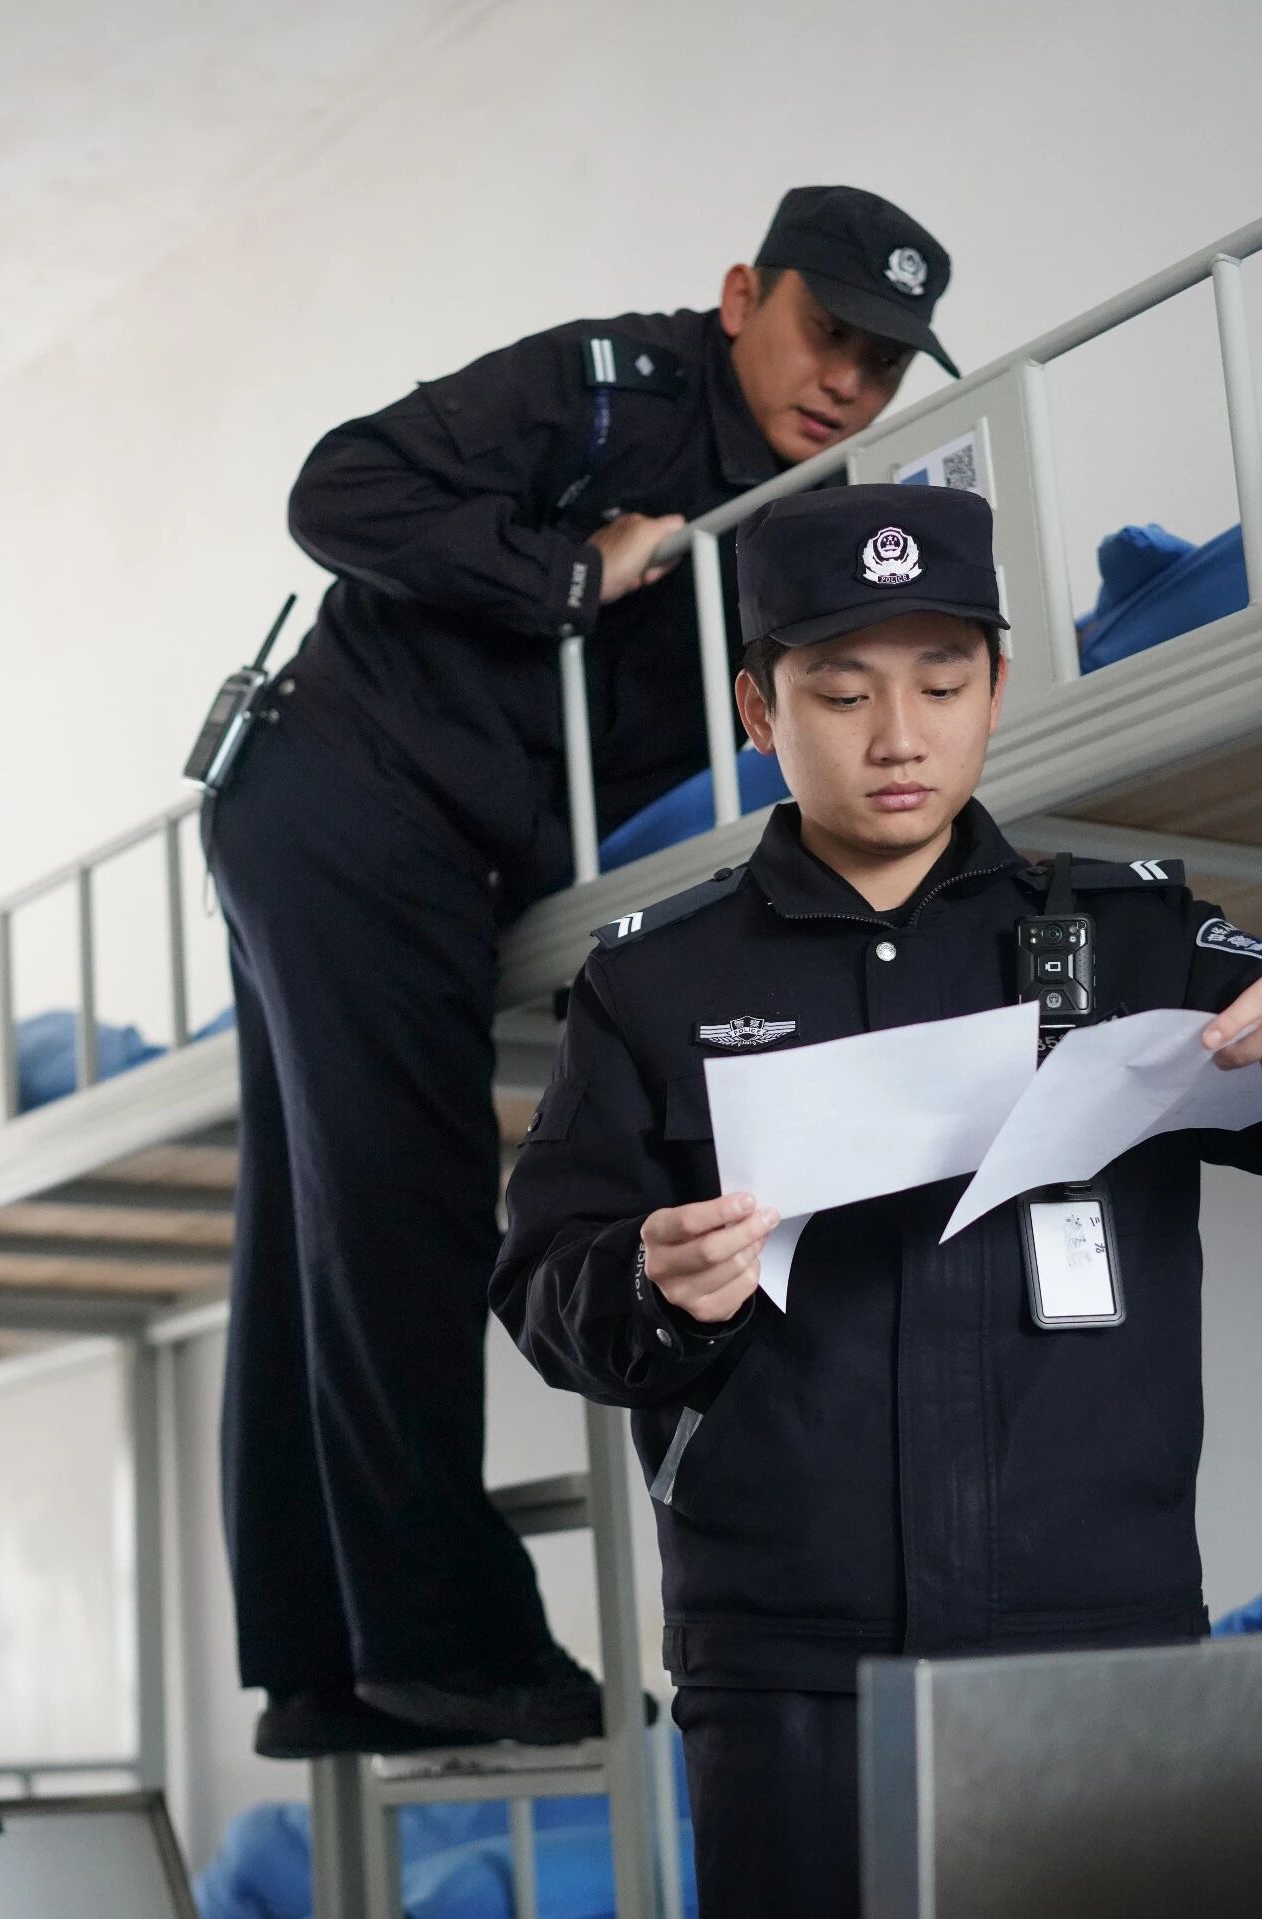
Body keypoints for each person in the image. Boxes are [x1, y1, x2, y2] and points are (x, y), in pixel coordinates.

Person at [206, 185, 959, 1762]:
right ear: (744, 295)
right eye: (828, 333)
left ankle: (315, 1668)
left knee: (311, 1237)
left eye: (886, 363)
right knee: (405, 1214)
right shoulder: (609, 386)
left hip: (383, 833)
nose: (849, 381)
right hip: (351, 794)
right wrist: (565, 573)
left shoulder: (805, 516)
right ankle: (449, 1651)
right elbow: (339, 489)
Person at [491, 483, 1262, 1915]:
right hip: (790, 1675)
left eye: (943, 686)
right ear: (759, 710)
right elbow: (546, 1291)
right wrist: (653, 1286)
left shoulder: (1138, 934)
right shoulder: (657, 984)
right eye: (842, 694)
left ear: (998, 690)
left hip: (1100, 1651)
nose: (899, 737)